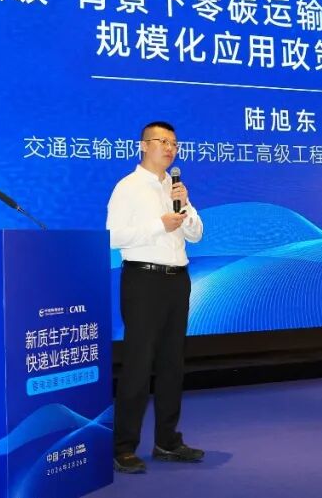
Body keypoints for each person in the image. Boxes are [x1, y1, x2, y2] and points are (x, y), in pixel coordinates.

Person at [107, 120, 205, 474]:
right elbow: (112, 236)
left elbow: (196, 234)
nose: (169, 148)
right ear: (143, 145)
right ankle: (123, 447)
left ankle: (167, 441)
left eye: (173, 143)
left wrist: (185, 208)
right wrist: (158, 225)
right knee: (138, 364)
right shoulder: (128, 187)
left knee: (171, 364)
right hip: (144, 281)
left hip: (178, 281)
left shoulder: (174, 187)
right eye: (162, 141)